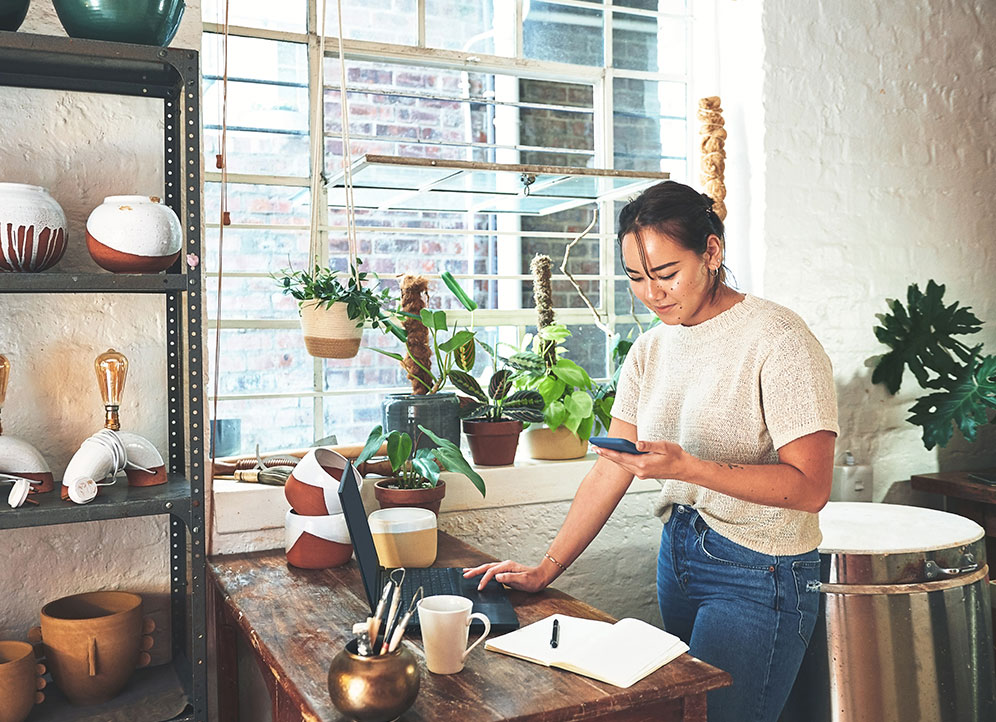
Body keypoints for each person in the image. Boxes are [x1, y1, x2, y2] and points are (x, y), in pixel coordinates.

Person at [464, 180, 838, 722]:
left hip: (760, 573)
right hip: (679, 555)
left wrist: (688, 467)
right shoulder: (652, 347)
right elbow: (610, 467)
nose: (652, 293)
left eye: (666, 274)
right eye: (636, 278)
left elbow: (810, 488)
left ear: (712, 251)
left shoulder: (778, 339)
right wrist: (547, 568)